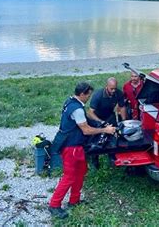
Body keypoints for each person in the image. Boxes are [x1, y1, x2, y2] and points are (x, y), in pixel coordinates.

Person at [49, 82, 116, 219]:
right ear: (82, 94)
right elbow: (86, 130)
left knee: (81, 171)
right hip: (71, 147)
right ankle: (54, 205)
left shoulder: (71, 101)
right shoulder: (77, 109)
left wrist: (100, 123)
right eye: (88, 95)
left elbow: (85, 121)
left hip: (76, 146)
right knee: (69, 176)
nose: (89, 98)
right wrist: (105, 130)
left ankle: (74, 200)